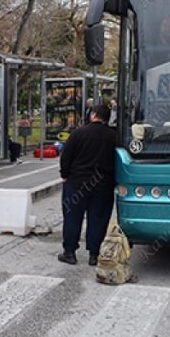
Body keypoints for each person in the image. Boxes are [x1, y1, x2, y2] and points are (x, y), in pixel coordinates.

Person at [57, 104, 116, 267]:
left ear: (93, 115)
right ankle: (94, 254)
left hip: (77, 183)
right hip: (103, 184)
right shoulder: (113, 136)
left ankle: (70, 252)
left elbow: (66, 156)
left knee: (72, 218)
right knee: (98, 218)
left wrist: (65, 174)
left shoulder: (78, 133)